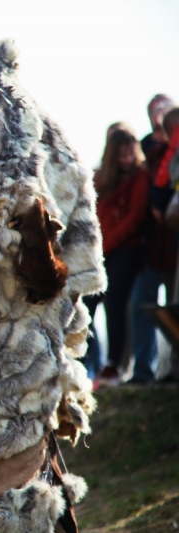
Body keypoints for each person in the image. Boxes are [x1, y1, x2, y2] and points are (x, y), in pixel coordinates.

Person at [89, 128, 150, 384]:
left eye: (131, 154)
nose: (127, 160)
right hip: (100, 250)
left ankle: (114, 365)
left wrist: (108, 243)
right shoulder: (100, 179)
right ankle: (87, 363)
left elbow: (135, 216)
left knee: (115, 304)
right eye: (122, 155)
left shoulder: (140, 177)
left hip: (126, 249)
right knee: (87, 303)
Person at [129, 95, 177, 384]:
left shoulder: (171, 151)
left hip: (174, 246)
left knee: (174, 307)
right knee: (143, 309)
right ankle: (143, 371)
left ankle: (172, 370)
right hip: (151, 249)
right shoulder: (146, 154)